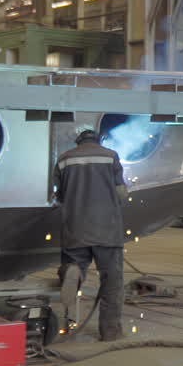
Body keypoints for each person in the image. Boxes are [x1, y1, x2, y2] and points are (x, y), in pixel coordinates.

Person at [53, 127, 128, 341]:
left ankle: (73, 272)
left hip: (75, 228)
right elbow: (121, 194)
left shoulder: (64, 159)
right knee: (111, 281)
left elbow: (57, 195)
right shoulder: (110, 156)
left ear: (78, 142)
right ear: (98, 140)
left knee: (73, 264)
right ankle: (110, 332)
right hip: (107, 230)